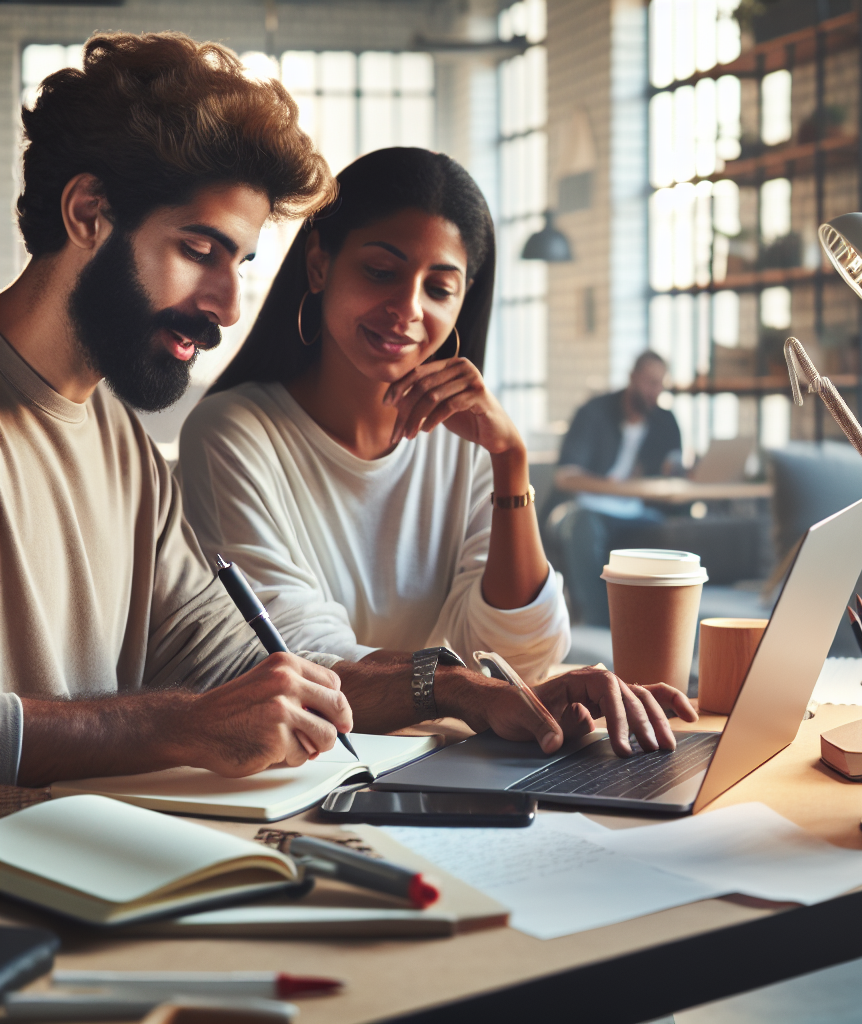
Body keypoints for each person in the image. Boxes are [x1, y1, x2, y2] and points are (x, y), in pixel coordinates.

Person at [0, 37, 693, 788]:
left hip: (100, 869)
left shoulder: (121, 447)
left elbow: (239, 666)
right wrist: (177, 725)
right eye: (200, 249)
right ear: (88, 213)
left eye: (241, 263)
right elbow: (197, 707)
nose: (229, 306)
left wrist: (472, 691)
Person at [178, 149, 571, 686]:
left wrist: (509, 459)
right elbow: (302, 656)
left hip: (460, 758)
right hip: (316, 762)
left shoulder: (471, 444)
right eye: (381, 272)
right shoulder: (233, 435)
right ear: (319, 266)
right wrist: (458, 692)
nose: (408, 308)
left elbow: (519, 660)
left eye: (438, 288)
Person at [554, 351, 683, 626]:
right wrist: (617, 488)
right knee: (582, 528)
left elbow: (676, 468)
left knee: (673, 532)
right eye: (649, 383)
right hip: (586, 508)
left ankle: (663, 625)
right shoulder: (593, 413)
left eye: (660, 384)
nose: (655, 391)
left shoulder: (664, 421)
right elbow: (565, 477)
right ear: (632, 378)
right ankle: (600, 624)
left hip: (637, 512)